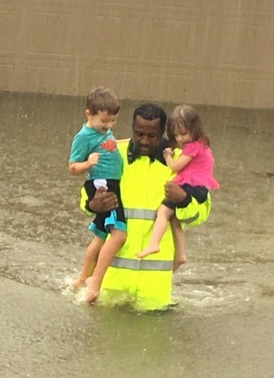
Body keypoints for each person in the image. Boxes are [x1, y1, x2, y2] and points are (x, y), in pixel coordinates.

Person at [81, 103, 212, 310]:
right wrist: (92, 204)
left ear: (164, 132)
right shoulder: (113, 152)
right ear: (132, 127)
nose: (144, 140)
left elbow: (200, 214)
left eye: (152, 136)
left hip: (154, 293)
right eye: (139, 134)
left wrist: (184, 200)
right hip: (111, 286)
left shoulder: (182, 161)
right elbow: (87, 193)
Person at [136, 105, 219, 271]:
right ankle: (180, 254)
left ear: (194, 129)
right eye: (176, 135)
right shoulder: (201, 144)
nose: (180, 139)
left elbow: (174, 167)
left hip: (192, 187)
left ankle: (154, 243)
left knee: (163, 212)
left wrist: (167, 156)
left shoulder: (192, 147)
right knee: (173, 218)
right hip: (199, 185)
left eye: (183, 134)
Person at [68, 87, 126, 302]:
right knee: (119, 234)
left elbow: (109, 146)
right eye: (104, 121)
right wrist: (87, 164)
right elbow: (72, 167)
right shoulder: (83, 137)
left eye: (113, 121)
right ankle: (95, 281)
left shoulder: (103, 132)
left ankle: (82, 278)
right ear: (89, 115)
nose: (109, 126)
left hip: (112, 183)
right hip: (103, 186)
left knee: (100, 236)